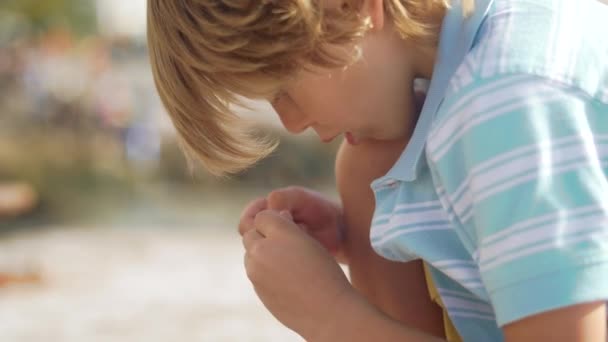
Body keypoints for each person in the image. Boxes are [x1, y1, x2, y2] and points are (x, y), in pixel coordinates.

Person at [146, 0, 608, 340]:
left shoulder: (504, 104)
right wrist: (358, 238)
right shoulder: (496, 41)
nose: (292, 122)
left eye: (282, 89)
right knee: (368, 168)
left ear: (350, 8)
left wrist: (329, 315)